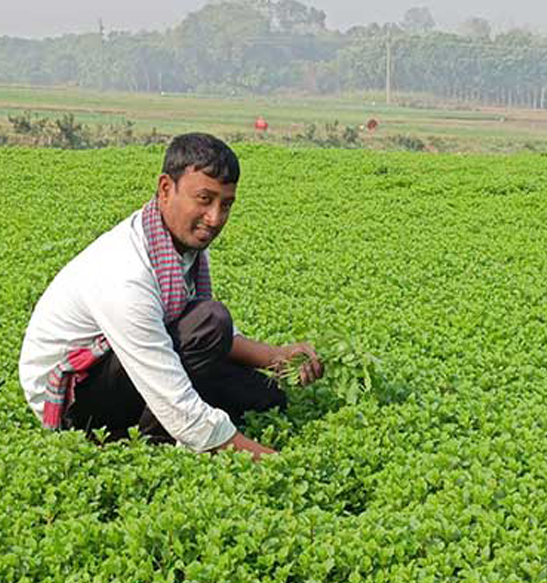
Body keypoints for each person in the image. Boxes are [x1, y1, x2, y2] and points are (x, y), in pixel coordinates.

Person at [18, 133, 323, 460]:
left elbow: (189, 329)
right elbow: (183, 362)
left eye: (226, 204)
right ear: (166, 189)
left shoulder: (175, 244)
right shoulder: (125, 273)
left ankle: (176, 426)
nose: (215, 218)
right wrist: (270, 460)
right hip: (75, 402)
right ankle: (146, 441)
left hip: (123, 366)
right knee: (211, 322)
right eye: (204, 199)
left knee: (266, 397)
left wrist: (275, 357)